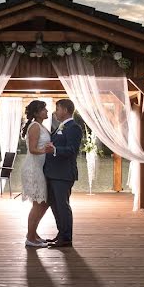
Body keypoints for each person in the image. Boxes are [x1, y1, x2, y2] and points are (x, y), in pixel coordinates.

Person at [43, 99, 82, 248]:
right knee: (55, 206)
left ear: (65, 110)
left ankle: (66, 238)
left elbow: (72, 150)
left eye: (57, 108)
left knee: (63, 206)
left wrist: (55, 150)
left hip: (64, 174)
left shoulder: (74, 128)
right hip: (53, 174)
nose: (55, 112)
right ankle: (61, 234)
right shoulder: (61, 127)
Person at [19, 100, 52, 248]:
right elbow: (32, 149)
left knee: (43, 203)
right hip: (33, 168)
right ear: (36, 113)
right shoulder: (34, 127)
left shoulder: (40, 126)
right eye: (43, 109)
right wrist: (48, 150)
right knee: (38, 204)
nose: (46, 111)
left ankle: (33, 233)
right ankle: (30, 239)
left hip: (39, 168)